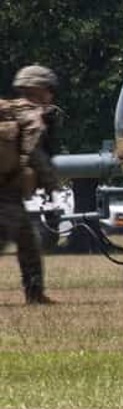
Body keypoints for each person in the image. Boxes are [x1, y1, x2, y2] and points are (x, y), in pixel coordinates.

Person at [1, 65, 60, 304]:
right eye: (49, 90)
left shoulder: (8, 111)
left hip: (8, 192)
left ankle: (35, 294)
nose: (51, 96)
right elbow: (34, 151)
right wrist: (49, 182)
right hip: (6, 192)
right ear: (38, 90)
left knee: (28, 242)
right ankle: (34, 293)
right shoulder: (31, 114)